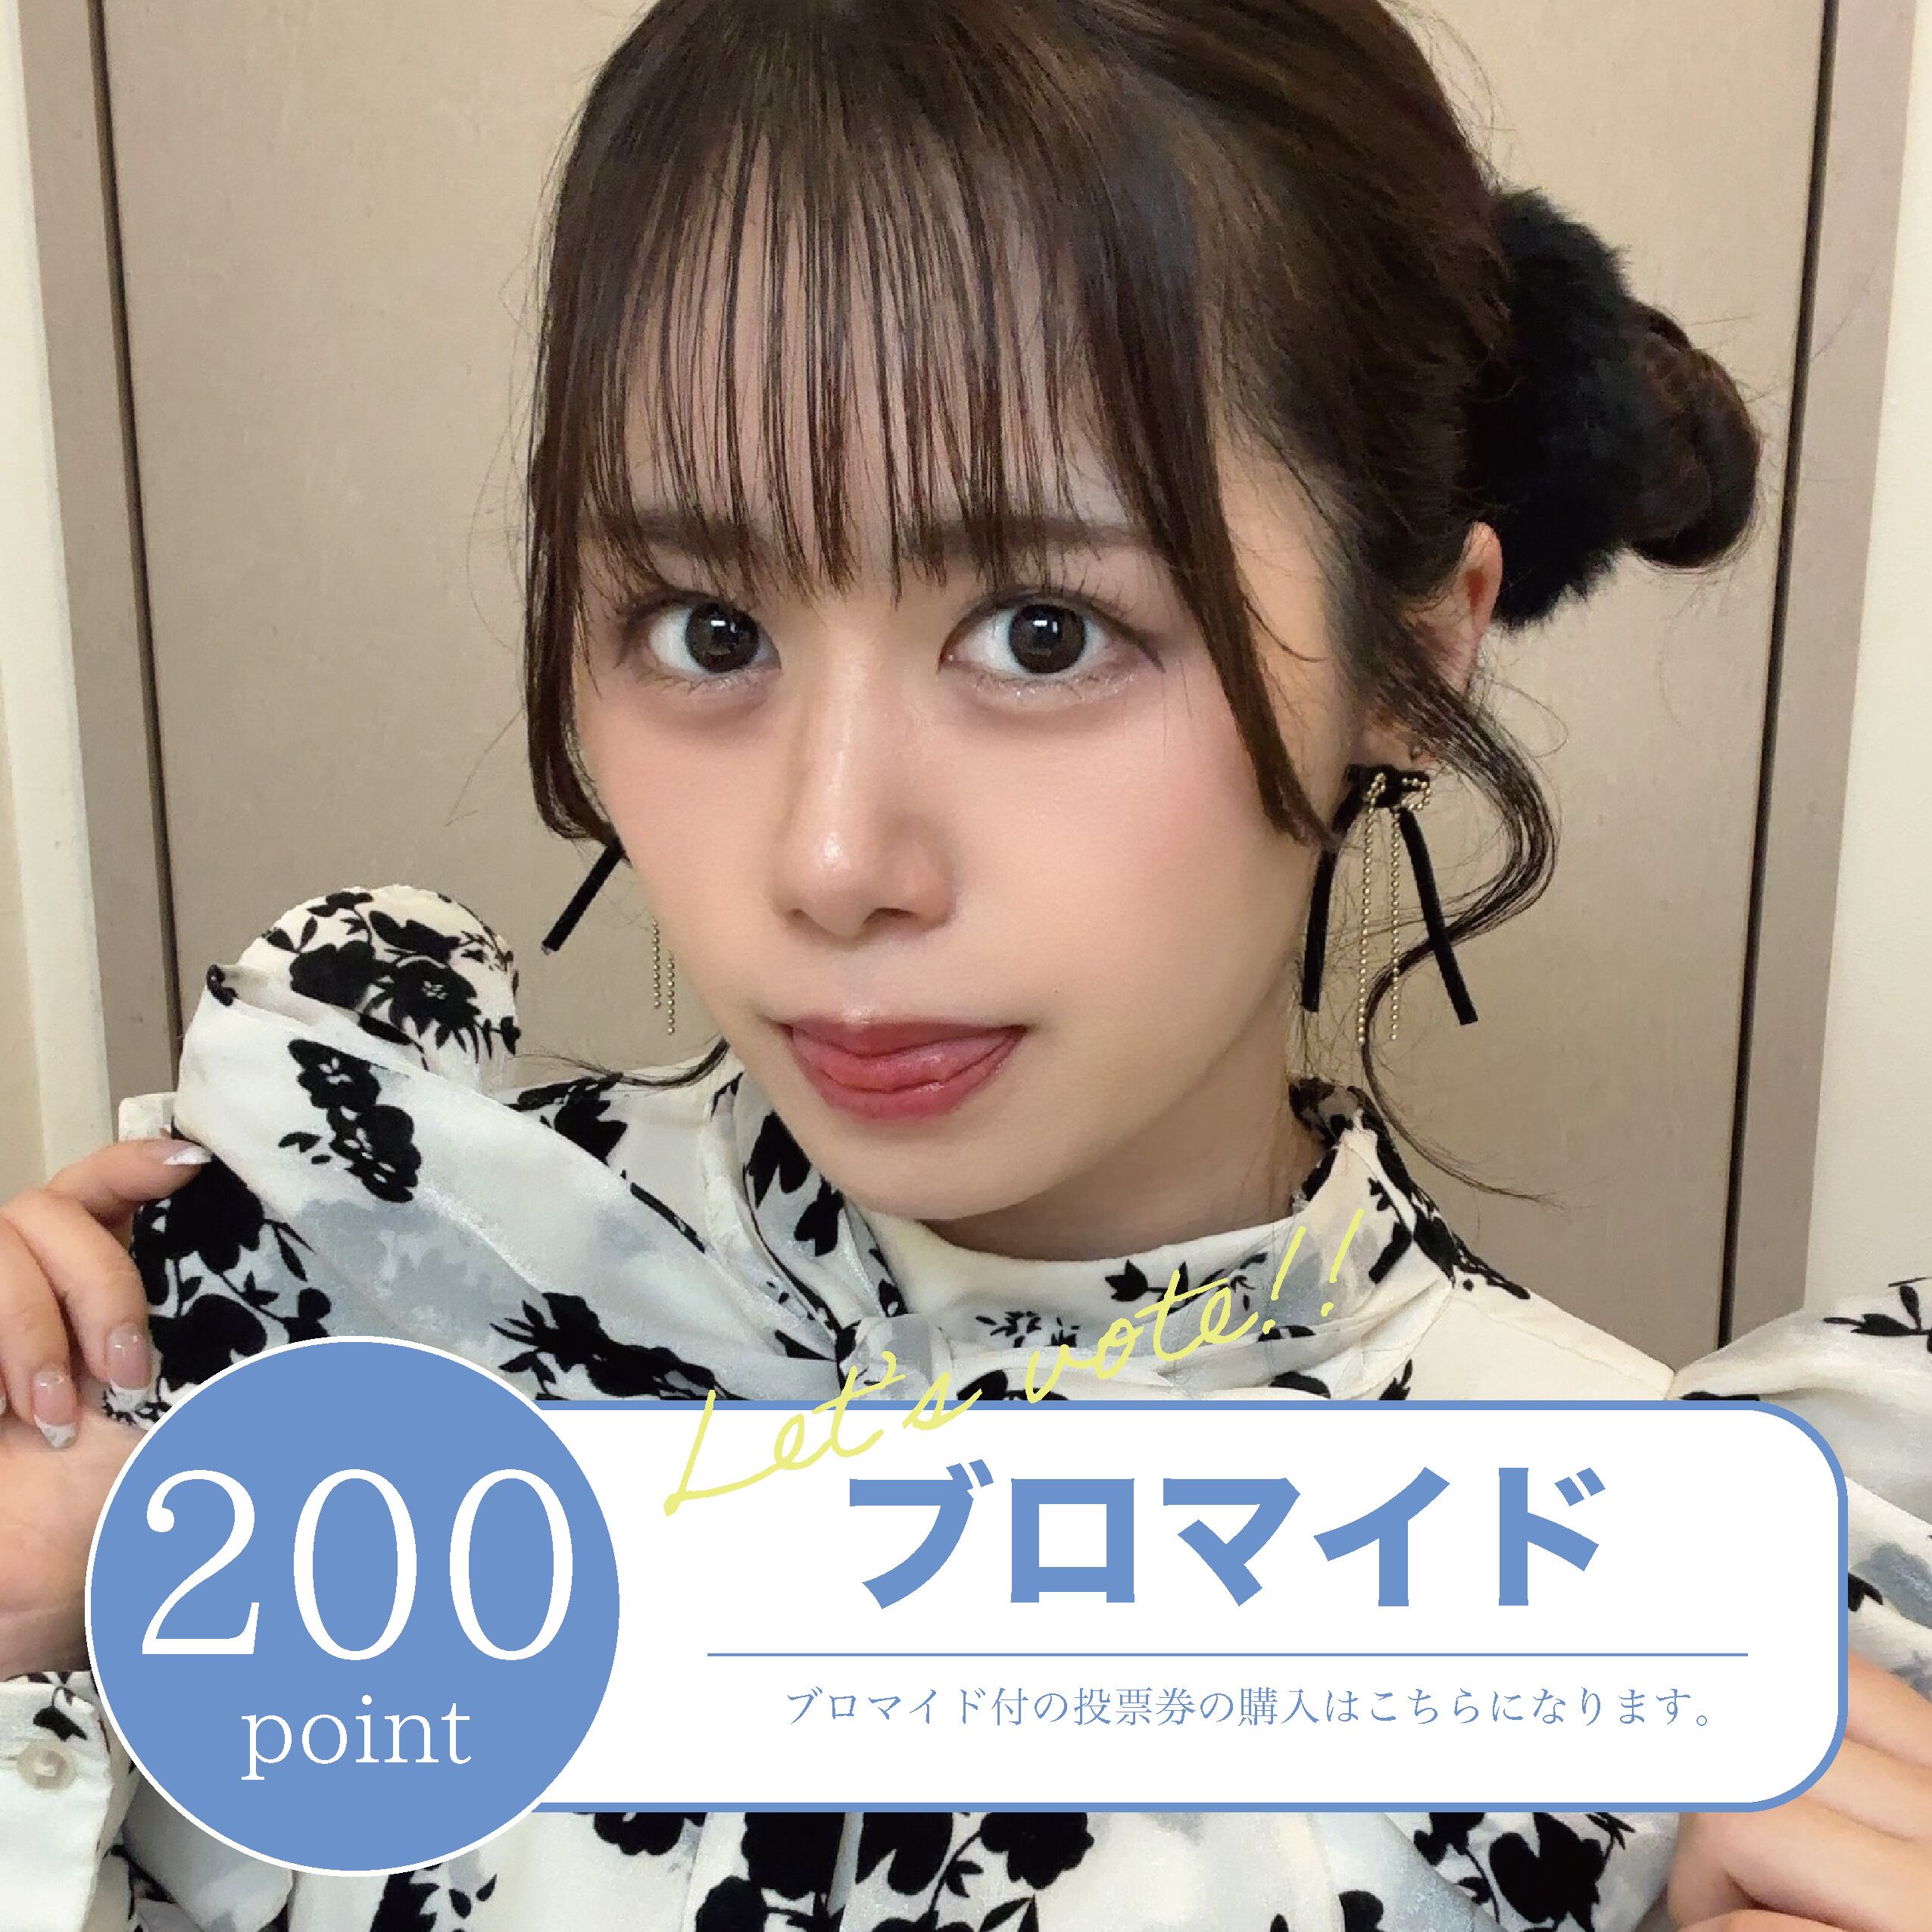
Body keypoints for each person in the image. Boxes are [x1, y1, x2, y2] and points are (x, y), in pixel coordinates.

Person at [1, 2, 1928, 1928]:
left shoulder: (1695, 1662)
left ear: (1412, 656)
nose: (830, 861)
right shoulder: (307, 1335)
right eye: (706, 628)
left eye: (1039, 632)